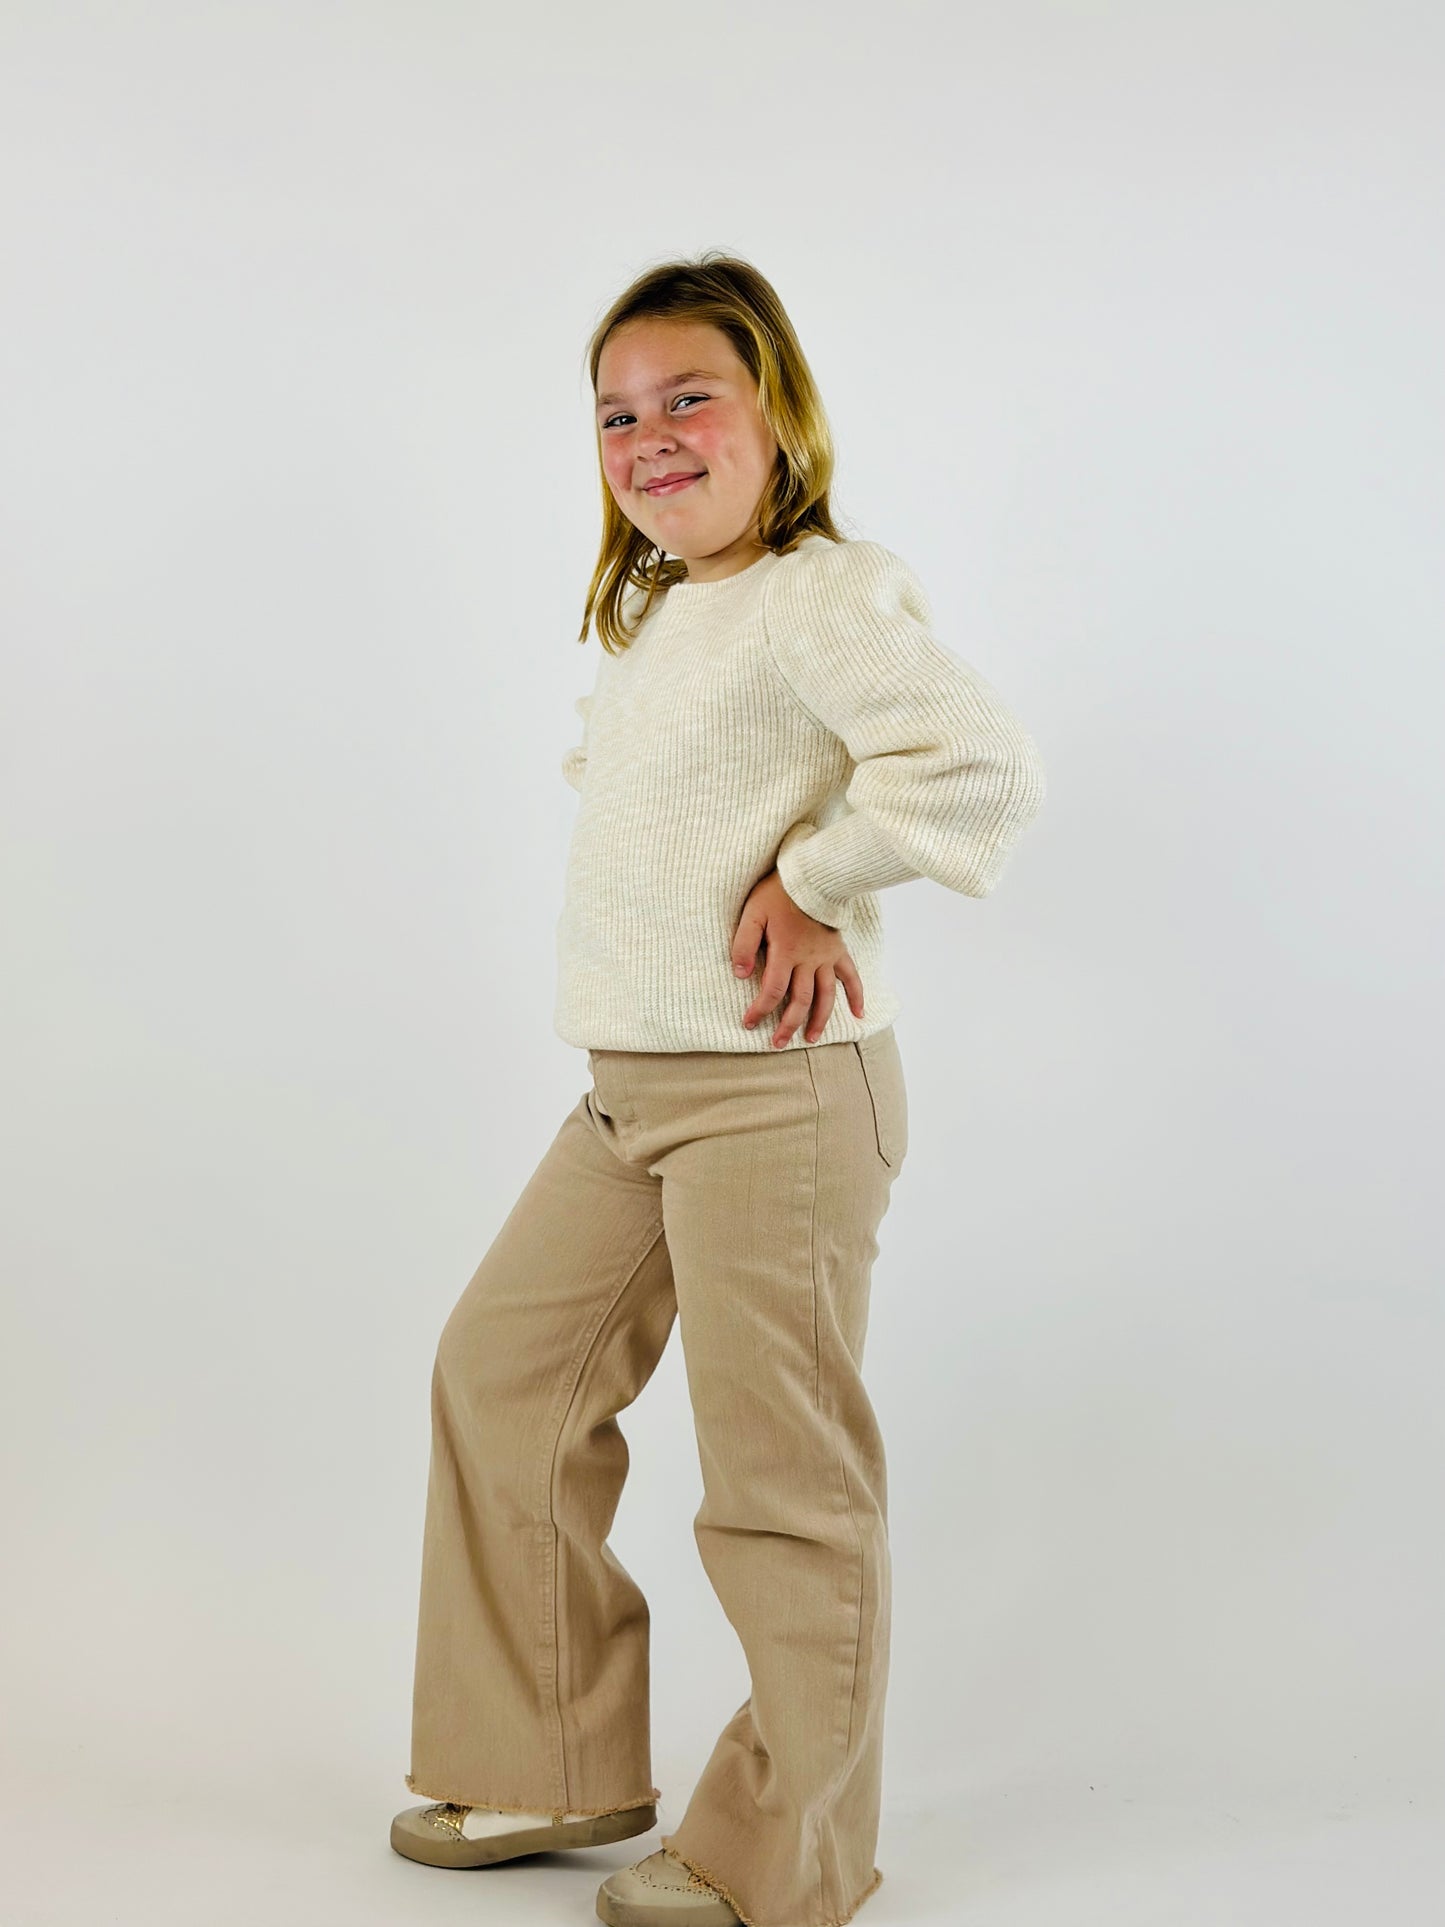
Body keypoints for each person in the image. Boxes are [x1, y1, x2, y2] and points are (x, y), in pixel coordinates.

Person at [389, 251, 1046, 1927]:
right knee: (501, 1379)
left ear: (776, 416)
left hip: (778, 1098)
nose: (650, 435)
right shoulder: (665, 609)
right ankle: (551, 1760)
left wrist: (823, 875)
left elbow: (976, 763)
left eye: (691, 397)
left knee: (778, 1479)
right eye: (617, 412)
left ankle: (790, 1854)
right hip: (629, 1094)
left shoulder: (823, 589)